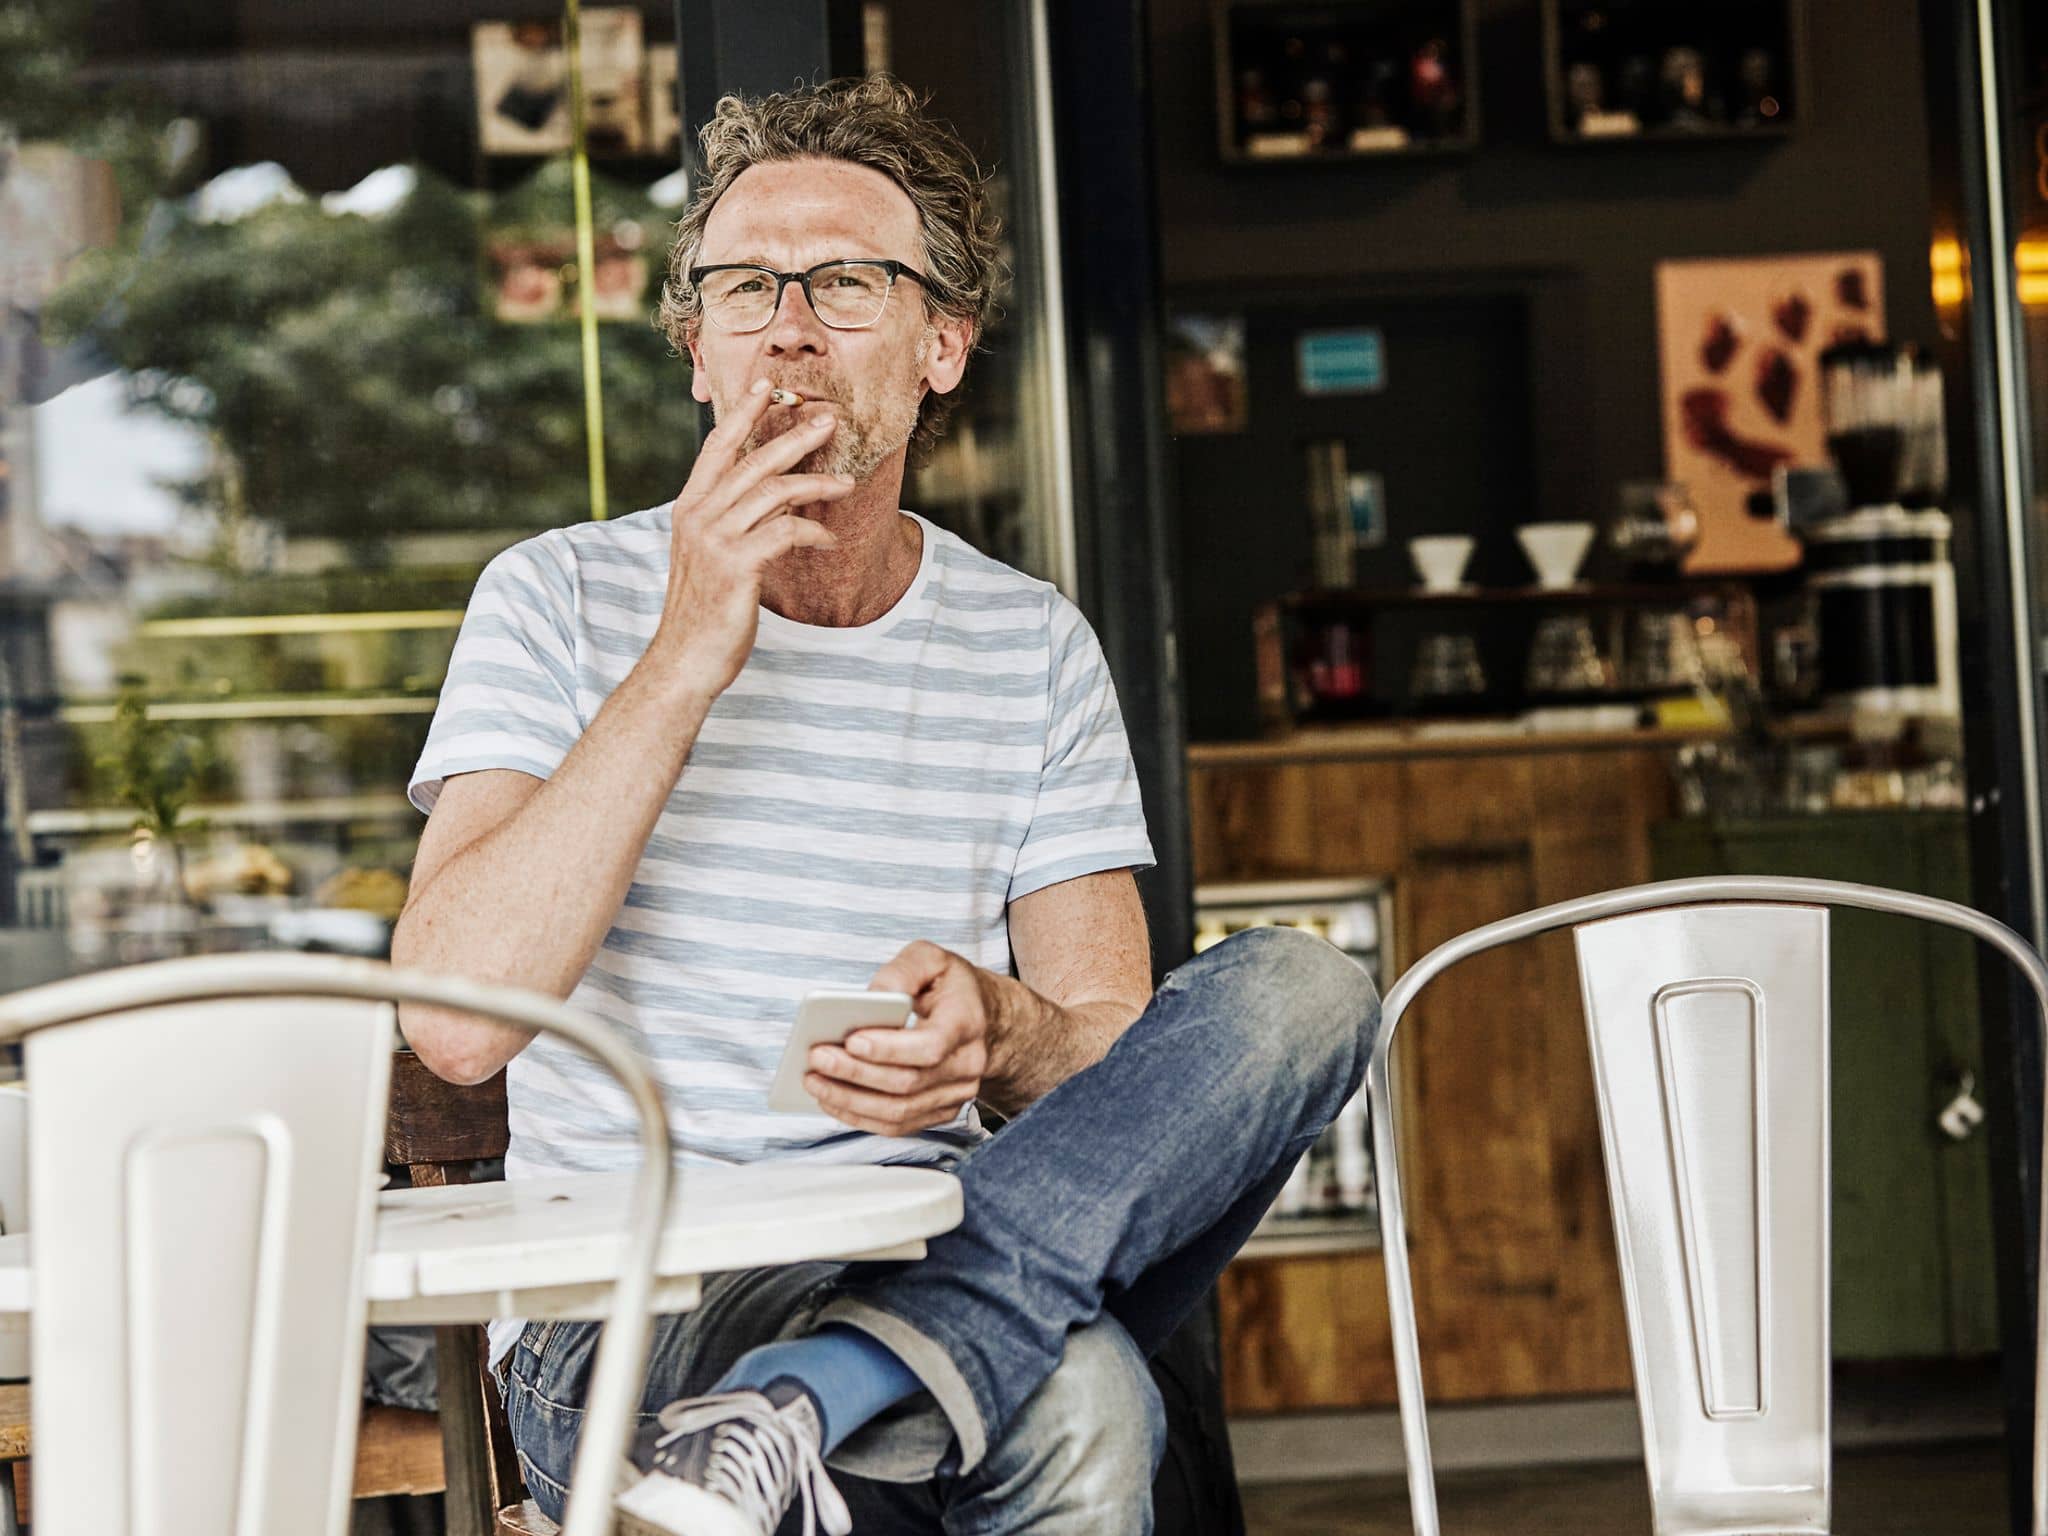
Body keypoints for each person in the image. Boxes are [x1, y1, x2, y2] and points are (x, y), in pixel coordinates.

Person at [392, 74, 1379, 1536]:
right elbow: (460, 1021)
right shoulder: (557, 599)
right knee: (1088, 1392)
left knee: (1305, 990)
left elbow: (1104, 1045)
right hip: (630, 1307)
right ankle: (837, 1390)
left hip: (932, 1240)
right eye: (743, 288)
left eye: (844, 282)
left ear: (943, 347)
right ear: (698, 357)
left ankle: (818, 1394)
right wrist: (684, 658)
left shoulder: (1030, 642)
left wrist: (1006, 1034)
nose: (786, 323)